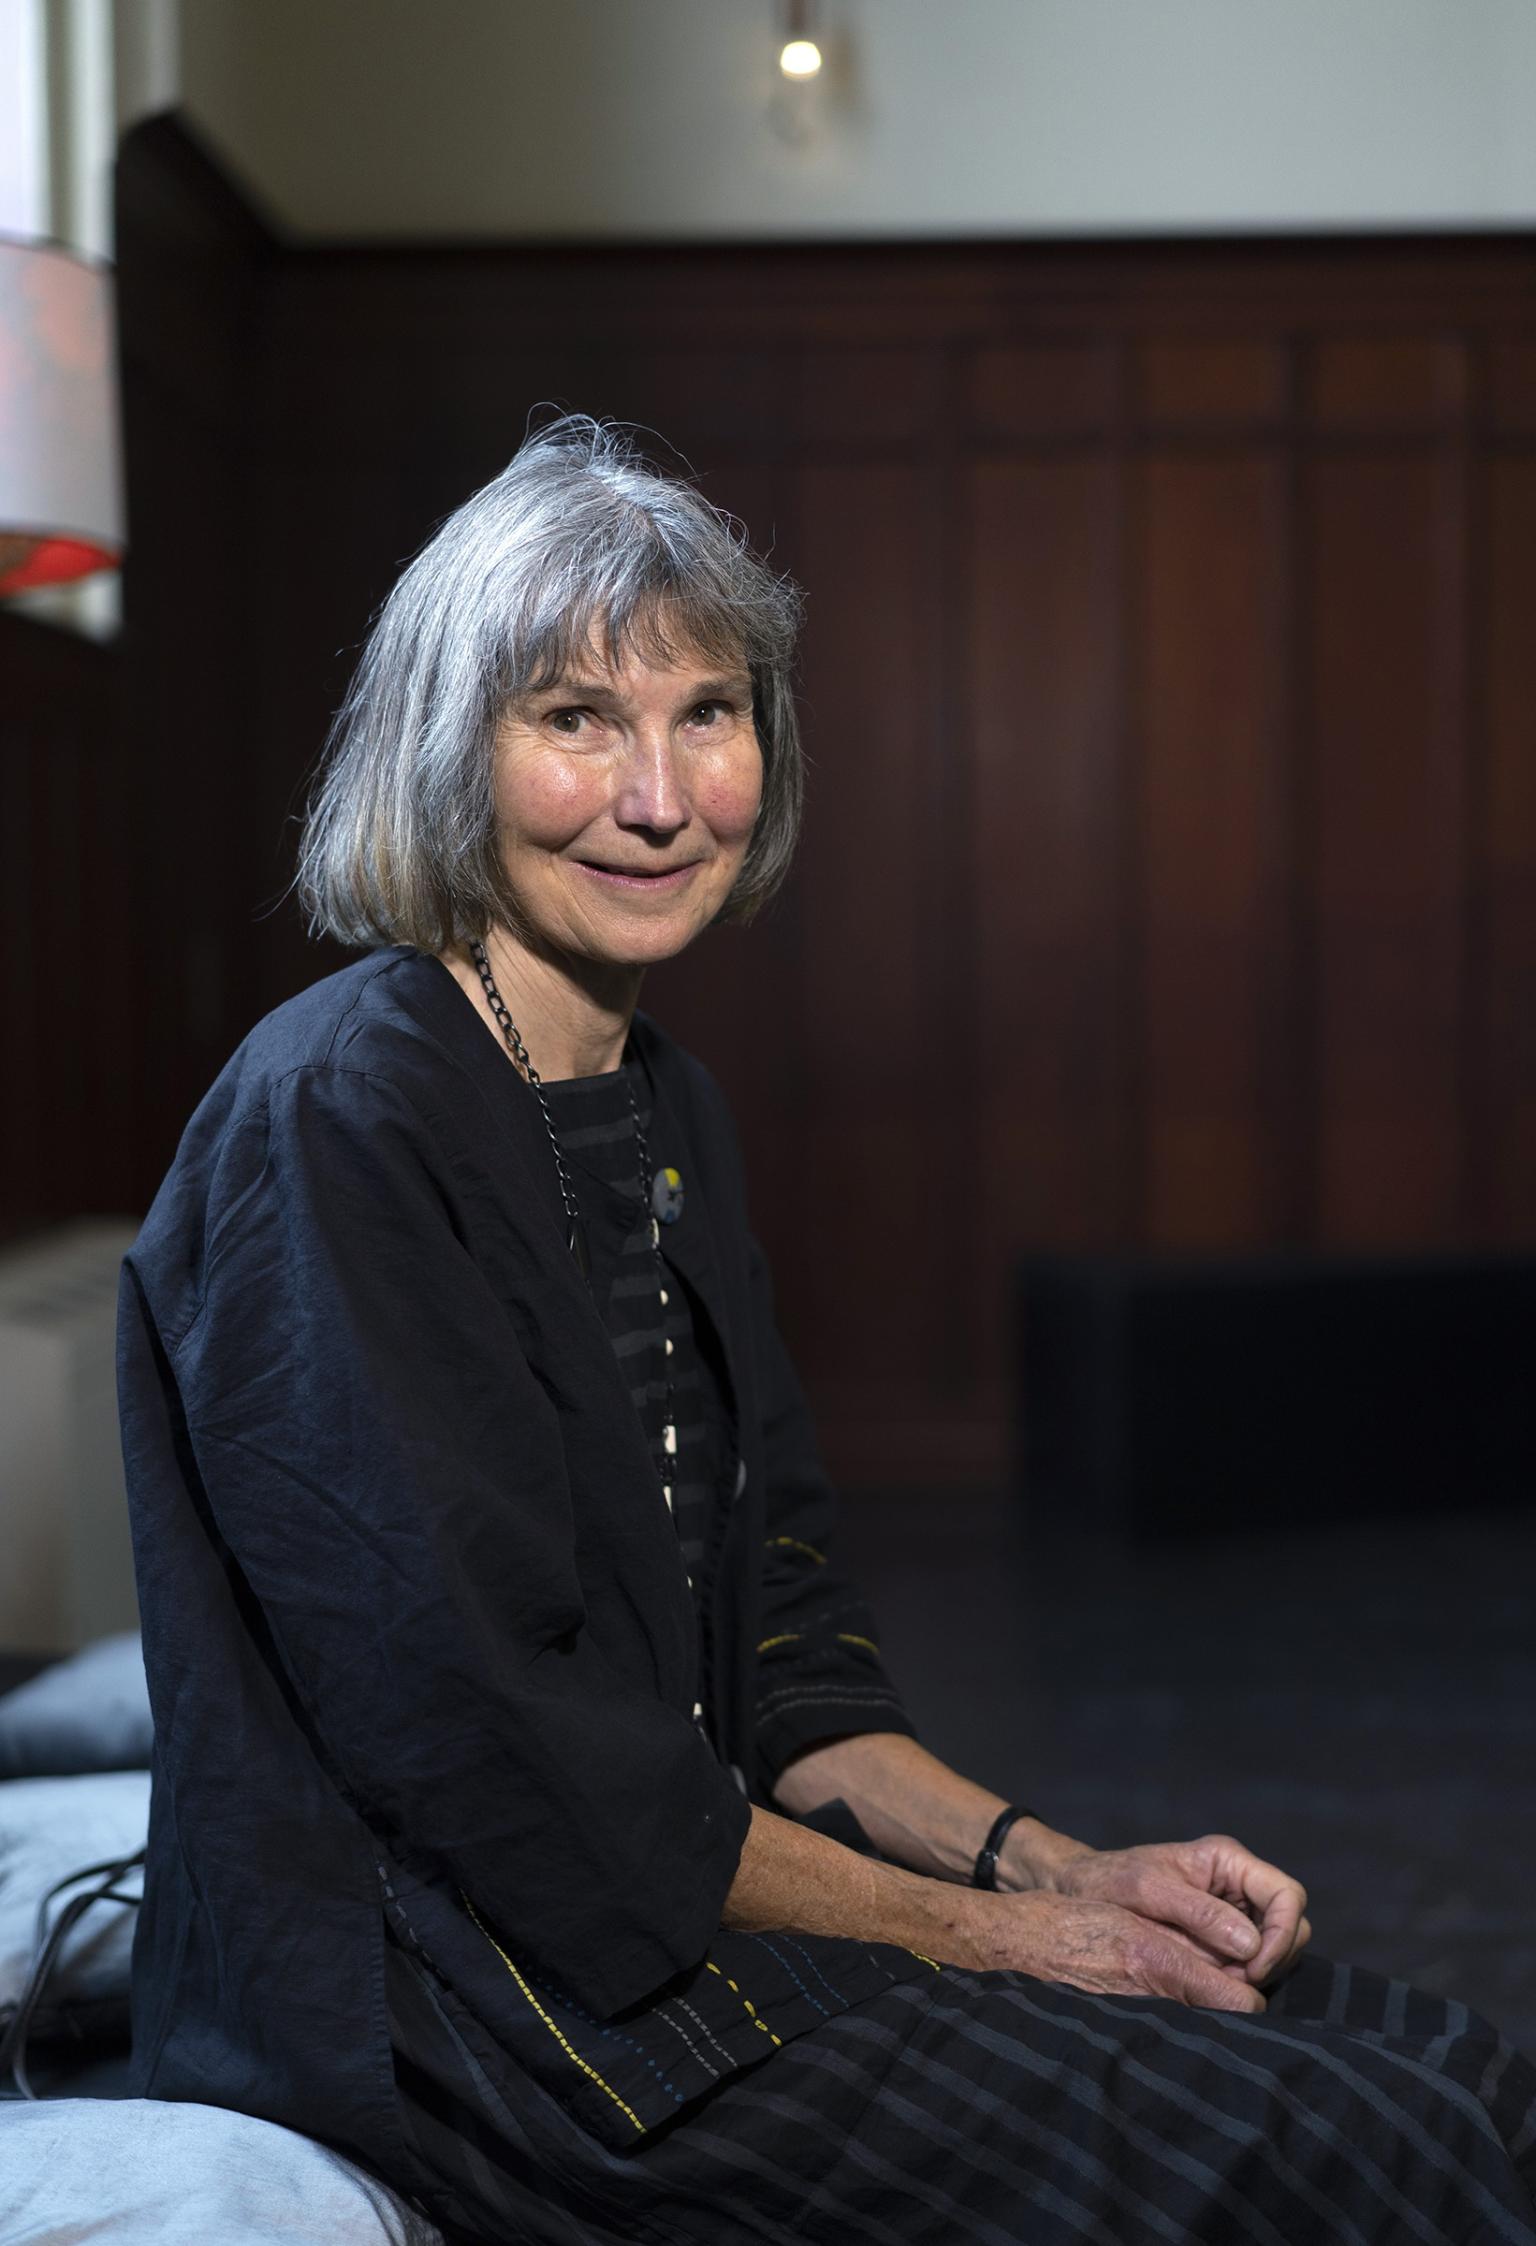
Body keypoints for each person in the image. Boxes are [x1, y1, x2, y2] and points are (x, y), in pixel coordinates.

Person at [118, 417, 1536, 2245]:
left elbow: (784, 1653)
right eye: (576, 720)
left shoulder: (661, 1099)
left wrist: (1066, 1864)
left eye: (707, 713)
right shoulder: (341, 1117)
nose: (661, 794)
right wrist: (1010, 1942)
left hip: (677, 1898)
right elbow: (496, 1752)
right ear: (448, 749)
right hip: (455, 2005)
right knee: (1361, 2156)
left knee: (1467, 2078)